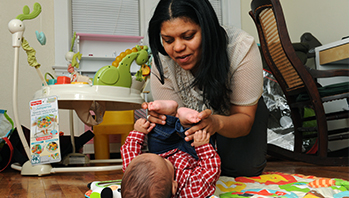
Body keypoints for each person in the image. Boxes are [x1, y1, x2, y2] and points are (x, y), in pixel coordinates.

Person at [146, 0, 269, 177]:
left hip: (236, 117)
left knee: (241, 169)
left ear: (207, 29)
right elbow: (174, 123)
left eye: (188, 36)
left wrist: (216, 123)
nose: (178, 48)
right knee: (179, 169)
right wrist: (167, 115)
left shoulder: (240, 47)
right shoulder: (162, 62)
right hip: (189, 128)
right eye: (168, 40)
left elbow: (244, 118)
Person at [120, 110, 221, 198]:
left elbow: (129, 151)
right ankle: (188, 122)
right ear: (174, 187)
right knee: (197, 133)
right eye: (164, 161)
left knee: (155, 136)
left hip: (166, 147)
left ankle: (169, 113)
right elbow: (210, 171)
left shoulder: (132, 174)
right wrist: (202, 146)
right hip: (192, 151)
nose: (167, 159)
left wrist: (138, 131)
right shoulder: (190, 191)